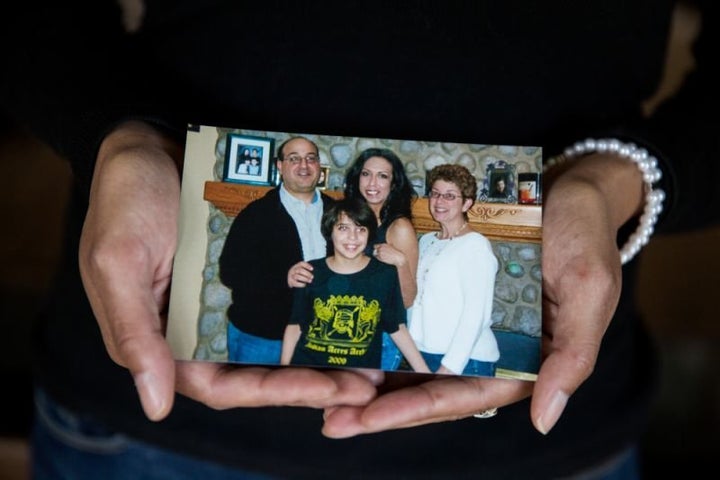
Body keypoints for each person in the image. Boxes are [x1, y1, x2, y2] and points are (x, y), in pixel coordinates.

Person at [3, 1, 719, 478]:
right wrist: (117, 136)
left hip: (542, 434)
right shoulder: (305, 230)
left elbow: (403, 313)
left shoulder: (412, 244)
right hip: (148, 410)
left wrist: (624, 178)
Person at [292, 147, 419, 371]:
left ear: (393, 183)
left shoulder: (399, 228)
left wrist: (400, 262)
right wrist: (296, 274)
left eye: (383, 176)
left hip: (381, 336)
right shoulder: (344, 215)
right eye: (366, 174)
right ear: (357, 177)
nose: (372, 183)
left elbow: (407, 300)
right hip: (335, 333)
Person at [219, 136, 336, 364]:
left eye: (310, 158)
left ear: (318, 166)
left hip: (319, 337)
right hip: (262, 338)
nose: (304, 165)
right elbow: (230, 272)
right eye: (294, 159)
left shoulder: (338, 212)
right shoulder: (256, 214)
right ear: (280, 166)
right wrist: (284, 277)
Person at [282, 198, 430, 372]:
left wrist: (425, 373)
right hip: (309, 371)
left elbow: (397, 328)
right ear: (330, 231)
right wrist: (284, 370)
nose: (352, 237)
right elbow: (295, 326)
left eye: (361, 229)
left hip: (359, 376)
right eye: (343, 228)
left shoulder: (385, 275)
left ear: (370, 235)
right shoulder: (310, 271)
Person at [410, 164, 499, 377]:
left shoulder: (475, 246)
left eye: (450, 196)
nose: (439, 202)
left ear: (467, 203)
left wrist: (449, 367)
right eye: (435, 194)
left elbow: (476, 314)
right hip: (426, 353)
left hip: (466, 361)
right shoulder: (427, 241)